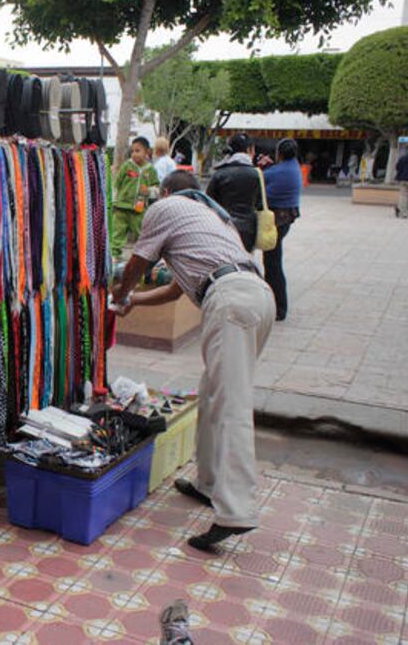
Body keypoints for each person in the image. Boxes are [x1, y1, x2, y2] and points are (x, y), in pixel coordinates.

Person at [110, 170, 274, 552]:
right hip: (255, 296)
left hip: (231, 300)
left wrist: (120, 294)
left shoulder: (165, 207)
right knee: (213, 394)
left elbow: (138, 262)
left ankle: (236, 512)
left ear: (166, 192)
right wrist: (133, 303)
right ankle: (207, 482)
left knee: (231, 403)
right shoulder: (212, 217)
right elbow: (174, 290)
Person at [262, 139, 302, 321]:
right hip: (286, 218)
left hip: (277, 219)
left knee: (272, 264)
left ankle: (279, 306)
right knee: (272, 261)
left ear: (280, 153)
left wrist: (263, 168)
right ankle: (275, 303)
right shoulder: (293, 167)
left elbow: (260, 187)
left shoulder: (278, 171)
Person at [206, 133, 261, 252]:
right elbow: (260, 204)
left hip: (223, 226)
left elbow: (208, 202)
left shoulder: (219, 173)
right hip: (248, 229)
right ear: (249, 150)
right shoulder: (256, 174)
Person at [111, 136, 160, 258]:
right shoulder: (127, 166)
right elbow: (116, 184)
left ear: (147, 152)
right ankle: (114, 255)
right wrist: (114, 201)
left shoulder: (151, 170)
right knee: (117, 233)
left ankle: (140, 257)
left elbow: (157, 188)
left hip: (139, 208)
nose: (134, 154)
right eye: (132, 151)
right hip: (121, 206)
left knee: (140, 234)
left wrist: (148, 191)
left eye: (137, 151)